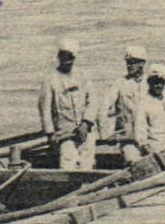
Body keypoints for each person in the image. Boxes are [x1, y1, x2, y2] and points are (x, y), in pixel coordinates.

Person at [39, 38, 97, 170]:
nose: (67, 60)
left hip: (84, 132)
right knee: (67, 164)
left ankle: (88, 189)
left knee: (87, 164)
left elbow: (92, 101)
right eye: (64, 56)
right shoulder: (50, 79)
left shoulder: (83, 76)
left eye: (70, 57)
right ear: (59, 57)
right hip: (64, 134)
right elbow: (45, 109)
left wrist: (86, 123)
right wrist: (50, 133)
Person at [102, 45, 149, 163]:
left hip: (150, 137)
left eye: (132, 62)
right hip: (128, 140)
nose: (129, 66)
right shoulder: (119, 84)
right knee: (134, 162)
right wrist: (106, 134)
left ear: (142, 63)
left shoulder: (151, 83)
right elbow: (103, 108)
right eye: (127, 62)